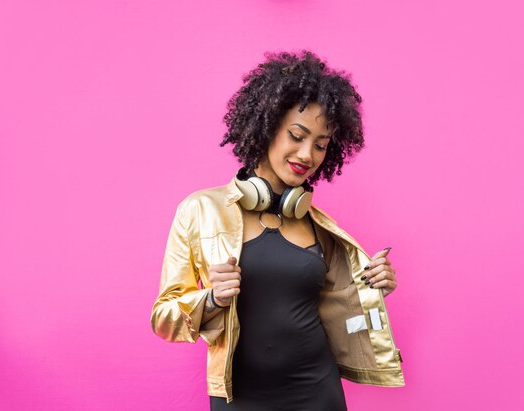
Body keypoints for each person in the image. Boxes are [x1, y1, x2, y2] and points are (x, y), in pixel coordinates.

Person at [150, 50, 405, 411]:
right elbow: (163, 319)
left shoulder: (320, 226)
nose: (307, 154)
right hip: (239, 396)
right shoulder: (200, 210)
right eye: (296, 136)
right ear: (267, 127)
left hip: (317, 392)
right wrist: (211, 299)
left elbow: (342, 302)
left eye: (320, 145)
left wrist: (375, 283)